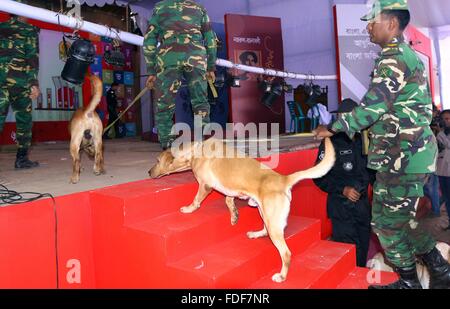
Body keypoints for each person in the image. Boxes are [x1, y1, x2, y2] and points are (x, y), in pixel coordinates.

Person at [313, 0, 450, 289]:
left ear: (390, 23)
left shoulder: (393, 58)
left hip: (402, 155)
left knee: (386, 223)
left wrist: (332, 127)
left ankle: (409, 281)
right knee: (404, 220)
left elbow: (371, 108)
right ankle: (438, 271)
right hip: (405, 154)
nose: (368, 27)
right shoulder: (404, 55)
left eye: (372, 21)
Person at [143, 0, 217, 149]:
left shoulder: (160, 7)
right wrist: (211, 66)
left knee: (164, 104)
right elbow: (211, 39)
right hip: (196, 58)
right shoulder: (199, 8)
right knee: (200, 102)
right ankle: (202, 143)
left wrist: (151, 70)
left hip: (168, 58)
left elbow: (149, 40)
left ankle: (167, 146)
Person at [313, 98, 374, 267]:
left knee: (363, 249)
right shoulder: (330, 142)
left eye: (350, 116)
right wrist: (343, 189)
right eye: (342, 116)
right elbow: (318, 176)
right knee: (346, 253)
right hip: (341, 208)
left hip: (362, 207)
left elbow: (372, 172)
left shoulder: (366, 140)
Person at [0, 8, 41, 169]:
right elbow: (32, 58)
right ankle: (21, 159)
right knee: (24, 121)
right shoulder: (29, 30)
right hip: (20, 82)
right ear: (22, 13)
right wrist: (34, 84)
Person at [436, 109, 450, 230]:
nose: (446, 121)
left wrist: (440, 134)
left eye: (448, 119)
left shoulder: (441, 134)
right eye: (444, 119)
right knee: (446, 197)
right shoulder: (440, 134)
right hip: (442, 171)